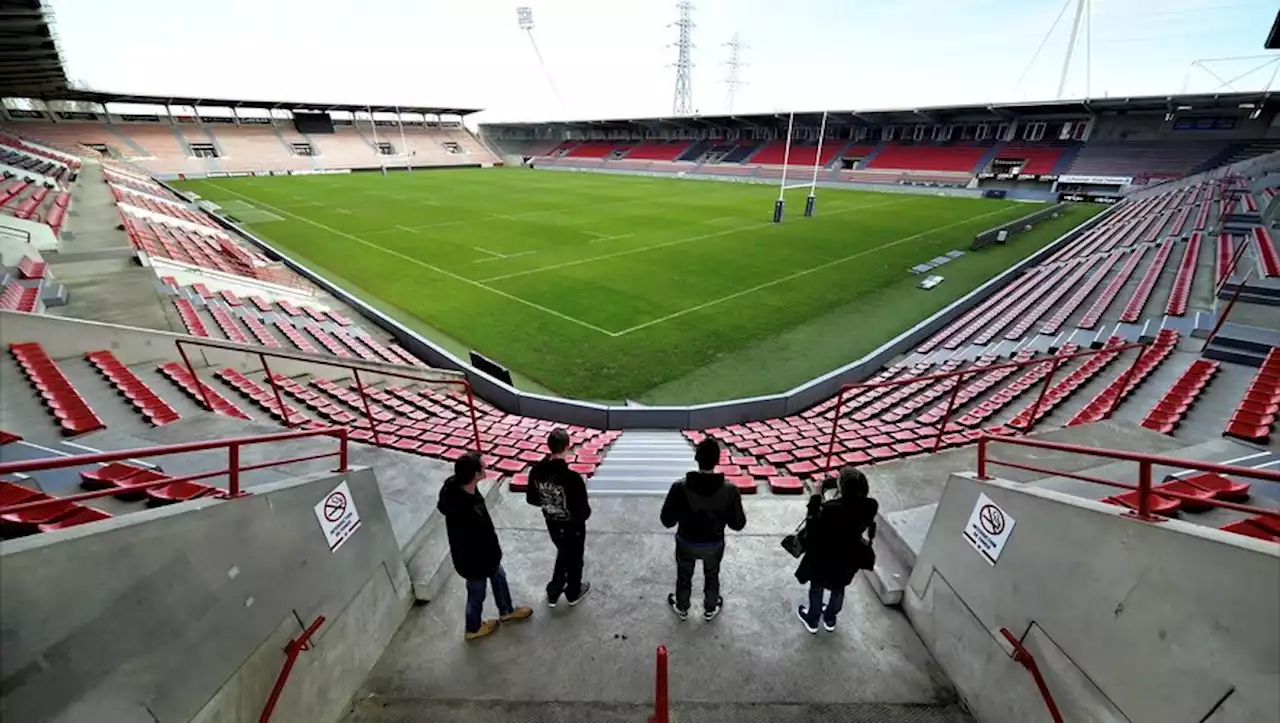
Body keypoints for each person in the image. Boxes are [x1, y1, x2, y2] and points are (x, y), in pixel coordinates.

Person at [437, 451, 533, 641]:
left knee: (500, 578)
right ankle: (472, 629)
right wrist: (493, 555)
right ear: (475, 475)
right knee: (476, 595)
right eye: (483, 466)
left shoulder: (455, 486)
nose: (486, 468)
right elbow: (478, 540)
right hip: (474, 562)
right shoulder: (466, 510)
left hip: (483, 557)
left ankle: (506, 611)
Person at [660, 437, 747, 621]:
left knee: (684, 575)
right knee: (712, 575)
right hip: (714, 543)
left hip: (686, 541)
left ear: (697, 458)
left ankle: (682, 606)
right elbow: (738, 524)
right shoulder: (730, 490)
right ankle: (710, 606)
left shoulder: (679, 487)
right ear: (717, 461)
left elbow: (666, 520)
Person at [794, 466, 878, 634]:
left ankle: (813, 619)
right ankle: (830, 618)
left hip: (824, 555)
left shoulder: (831, 508)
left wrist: (816, 496)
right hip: (849, 556)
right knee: (839, 588)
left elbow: (813, 527)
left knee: (817, 586)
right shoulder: (870, 506)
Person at [526, 428, 593, 607]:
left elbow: (531, 499)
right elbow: (584, 512)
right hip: (573, 526)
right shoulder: (573, 478)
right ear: (567, 447)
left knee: (563, 552)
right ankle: (573, 592)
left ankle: (554, 591)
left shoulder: (536, 472)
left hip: (552, 522)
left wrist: (550, 504)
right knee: (574, 559)